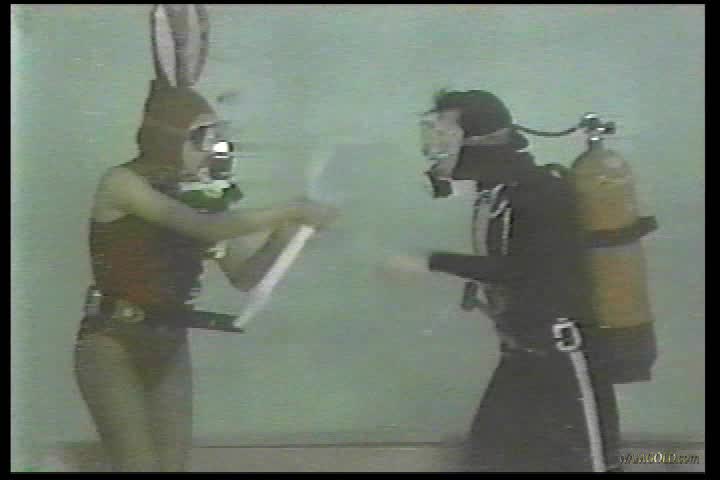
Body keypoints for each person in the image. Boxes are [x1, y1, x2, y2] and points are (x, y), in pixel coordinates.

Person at [387, 90, 656, 472]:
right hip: (522, 357)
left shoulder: (542, 192)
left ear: (480, 141)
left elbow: (525, 270)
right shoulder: (499, 194)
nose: (435, 148)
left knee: (588, 464)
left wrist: (431, 262)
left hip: (564, 359)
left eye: (445, 135)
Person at [73, 82, 337, 472]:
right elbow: (204, 228)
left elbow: (244, 276)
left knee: (173, 465)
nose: (209, 149)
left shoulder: (199, 194)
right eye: (200, 137)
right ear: (167, 135)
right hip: (112, 343)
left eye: (215, 137)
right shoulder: (122, 183)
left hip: (169, 342)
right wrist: (289, 210)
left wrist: (287, 233)